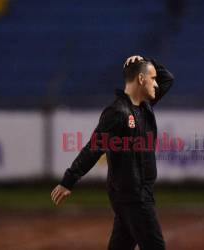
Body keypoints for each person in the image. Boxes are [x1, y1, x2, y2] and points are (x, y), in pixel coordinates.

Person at [51, 55, 174, 250]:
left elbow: (168, 78)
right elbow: (93, 148)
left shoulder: (144, 106)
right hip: (133, 195)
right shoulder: (118, 112)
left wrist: (146, 59)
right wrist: (69, 180)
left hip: (137, 193)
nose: (157, 84)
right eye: (152, 78)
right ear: (141, 79)